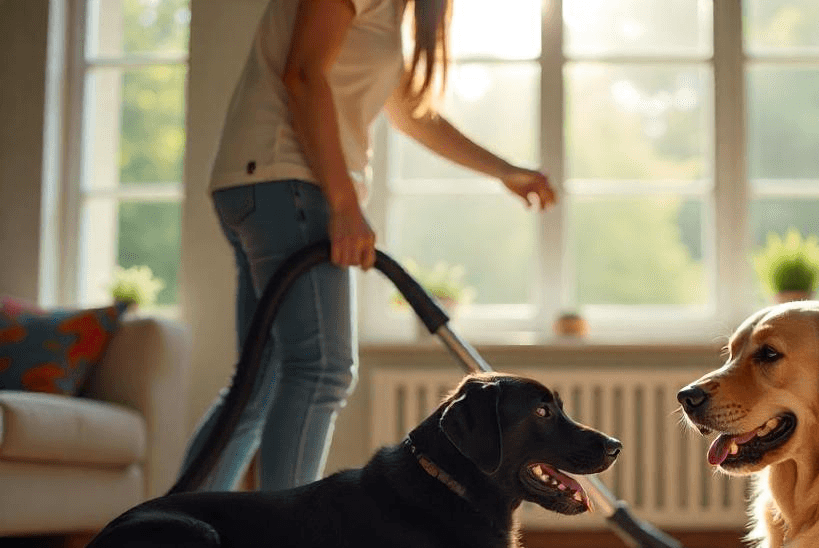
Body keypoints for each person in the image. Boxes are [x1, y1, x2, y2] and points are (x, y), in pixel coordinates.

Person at [178, 0, 555, 492]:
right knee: (321, 369)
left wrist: (504, 170)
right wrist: (342, 202)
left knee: (256, 388)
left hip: (261, 183)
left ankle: (175, 541)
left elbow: (412, 115)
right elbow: (303, 74)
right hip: (290, 181)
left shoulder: (390, 14)